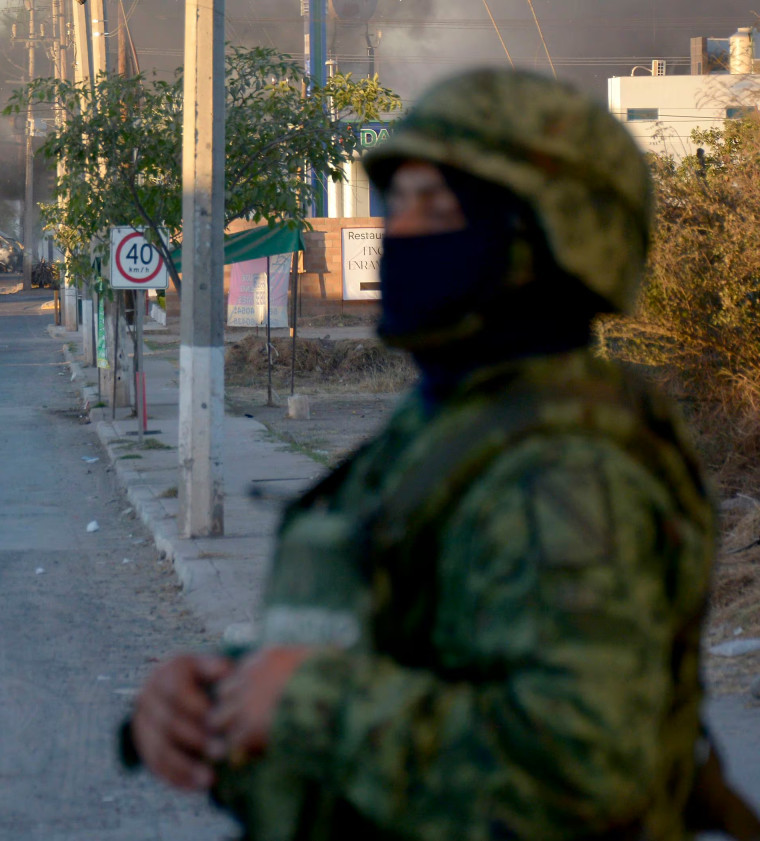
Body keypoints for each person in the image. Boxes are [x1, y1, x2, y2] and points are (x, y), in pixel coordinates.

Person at [124, 69, 730, 840]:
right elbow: (400, 645)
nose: (401, 233)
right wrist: (216, 698)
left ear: (551, 236)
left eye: (437, 208)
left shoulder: (575, 468)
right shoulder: (448, 425)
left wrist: (314, 701)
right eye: (397, 204)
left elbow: (589, 764)